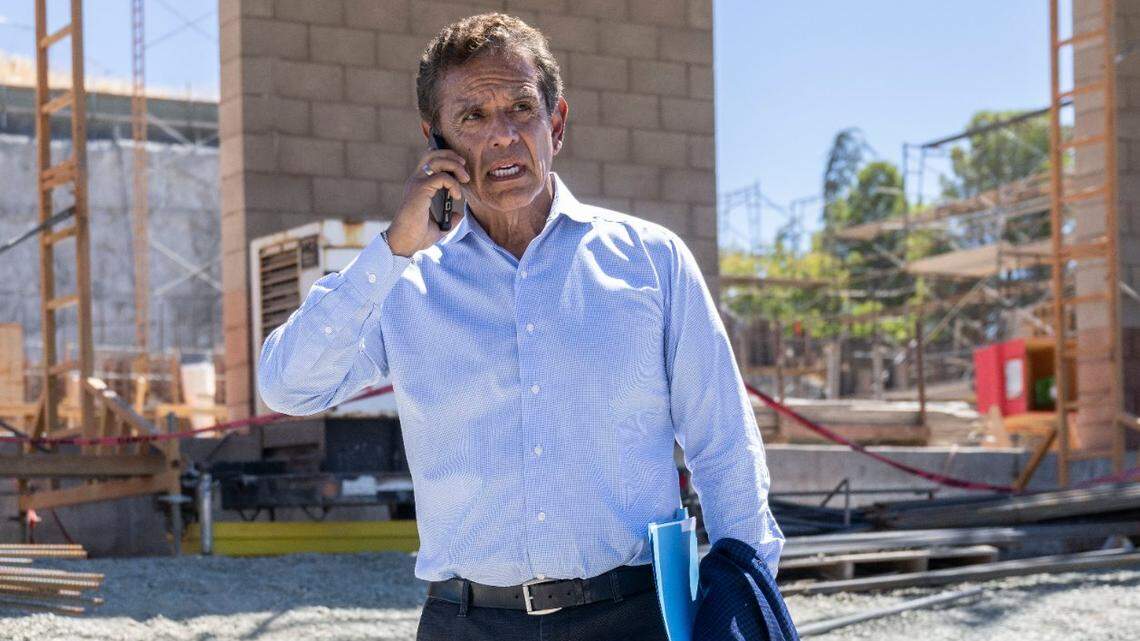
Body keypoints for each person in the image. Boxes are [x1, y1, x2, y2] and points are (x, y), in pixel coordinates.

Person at [257, 13, 784, 641]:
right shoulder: (407, 285)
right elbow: (288, 388)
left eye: (520, 109)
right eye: (472, 117)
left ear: (555, 123)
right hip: (467, 623)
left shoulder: (652, 262)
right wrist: (393, 249)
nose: (503, 136)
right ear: (436, 141)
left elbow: (724, 447)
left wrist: (743, 605)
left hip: (634, 617)